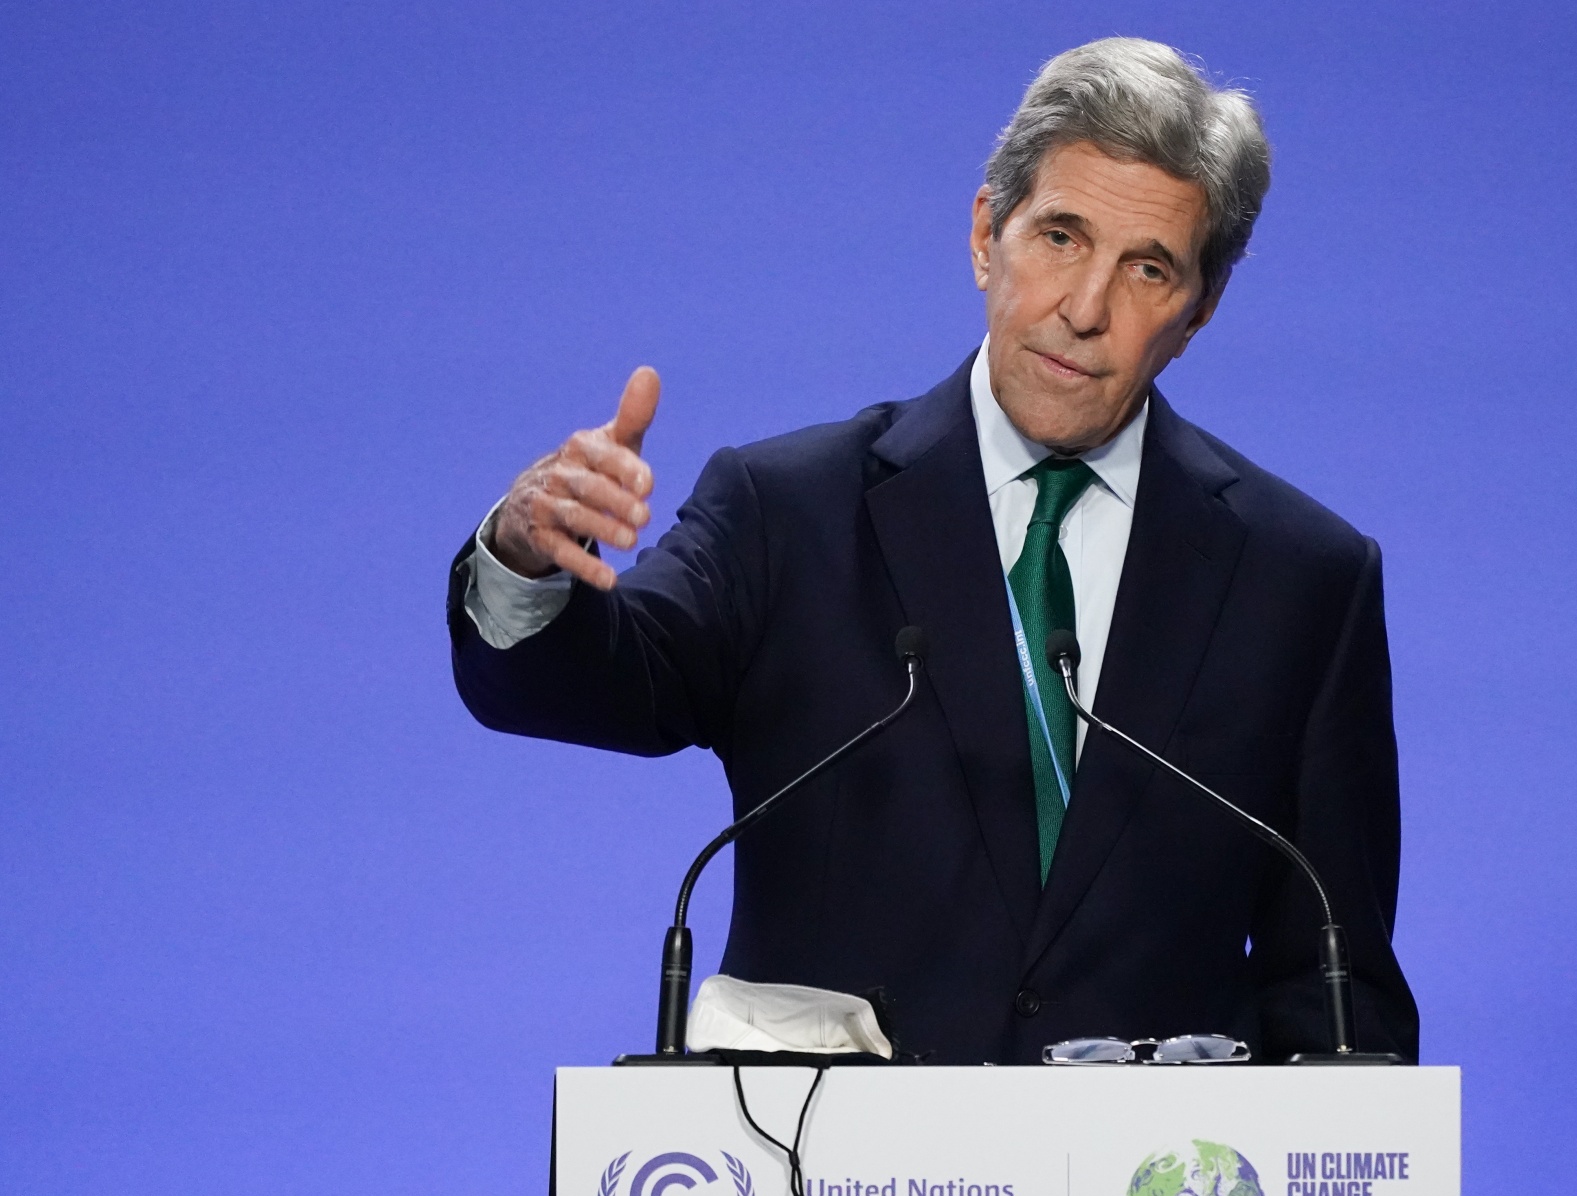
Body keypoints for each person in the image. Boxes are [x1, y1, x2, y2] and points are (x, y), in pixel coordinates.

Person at [448, 38, 1418, 1064]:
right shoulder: (790, 511)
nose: (1083, 310)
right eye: (1057, 236)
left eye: (1145, 268)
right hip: (830, 1194)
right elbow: (597, 682)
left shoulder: (1299, 578)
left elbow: (1334, 976)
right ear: (983, 236)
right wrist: (528, 556)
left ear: (1199, 307)